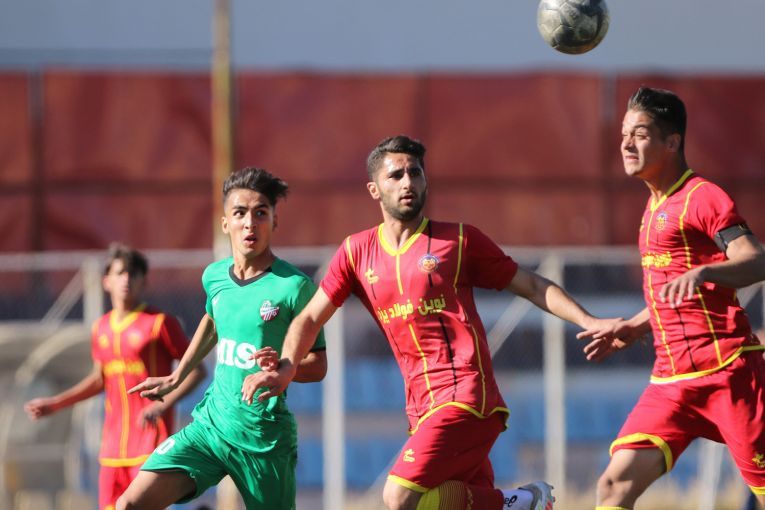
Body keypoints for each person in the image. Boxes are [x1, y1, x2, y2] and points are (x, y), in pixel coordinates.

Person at [245, 135, 615, 510]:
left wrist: (588, 320)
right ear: (374, 189)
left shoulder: (459, 240)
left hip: (466, 396)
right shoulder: (356, 253)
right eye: (396, 175)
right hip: (420, 407)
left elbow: (532, 285)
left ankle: (521, 500)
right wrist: (287, 367)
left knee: (399, 496)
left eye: (415, 173)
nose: (408, 182)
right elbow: (310, 316)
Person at [577, 86, 765, 510]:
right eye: (624, 134)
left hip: (726, 372)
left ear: (672, 142)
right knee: (614, 485)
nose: (626, 144)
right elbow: (676, 293)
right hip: (671, 381)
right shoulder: (653, 207)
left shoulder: (702, 196)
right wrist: (635, 324)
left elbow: (756, 260)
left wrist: (706, 272)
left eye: (640, 134)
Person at [116, 167, 327, 510]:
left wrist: (282, 369)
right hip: (210, 427)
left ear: (275, 221)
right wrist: (177, 375)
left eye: (261, 213)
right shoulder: (214, 276)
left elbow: (318, 365)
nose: (250, 223)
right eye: (240, 213)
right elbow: (214, 322)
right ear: (225, 223)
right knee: (130, 503)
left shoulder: (294, 287)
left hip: (263, 438)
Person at [24, 243, 206, 510]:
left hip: (149, 442)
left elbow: (198, 371)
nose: (126, 279)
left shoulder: (159, 323)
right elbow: (100, 380)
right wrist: (55, 404)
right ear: (106, 281)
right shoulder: (101, 328)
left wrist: (162, 404)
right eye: (120, 273)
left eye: (134, 273)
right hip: (112, 447)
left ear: (144, 281)